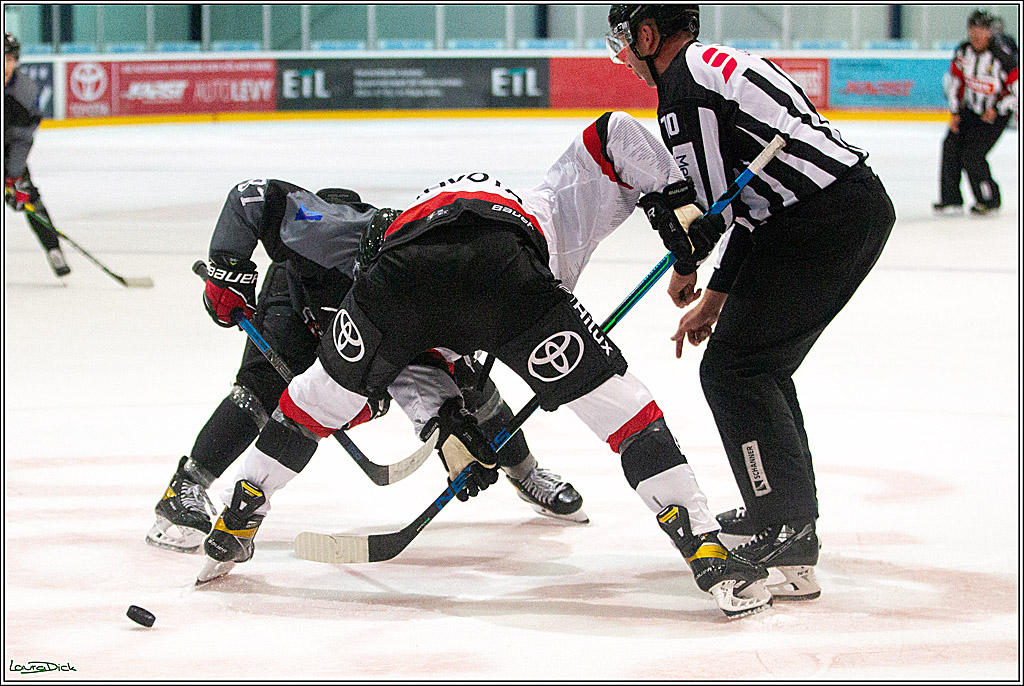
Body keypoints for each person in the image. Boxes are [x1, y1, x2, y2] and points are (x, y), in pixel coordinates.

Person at [196, 112, 774, 619]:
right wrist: (672, 199)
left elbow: (256, 197)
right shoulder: (546, 208)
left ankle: (239, 515)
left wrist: (445, 423)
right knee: (626, 412)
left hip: (398, 286)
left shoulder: (367, 234)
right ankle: (705, 548)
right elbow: (613, 133)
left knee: (312, 403)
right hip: (508, 275)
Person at [606, 5, 895, 600]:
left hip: (820, 223)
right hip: (834, 212)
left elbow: (712, 213)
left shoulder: (683, 91)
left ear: (647, 33)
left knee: (738, 369)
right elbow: (753, 205)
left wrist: (689, 265)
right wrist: (714, 297)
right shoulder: (718, 64)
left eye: (625, 39)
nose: (624, 55)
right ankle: (782, 513)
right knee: (756, 365)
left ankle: (787, 527)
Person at [146, 183, 589, 555]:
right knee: (260, 389)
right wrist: (227, 269)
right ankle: (184, 486)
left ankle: (526, 473)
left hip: (375, 319)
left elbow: (423, 374)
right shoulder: (328, 234)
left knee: (469, 380)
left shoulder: (413, 281)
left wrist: (445, 426)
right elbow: (251, 197)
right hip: (296, 305)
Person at [933, 10, 1018, 216]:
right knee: (951, 145)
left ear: (990, 32)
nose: (976, 35)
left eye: (981, 30)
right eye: (973, 29)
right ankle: (950, 199)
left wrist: (997, 109)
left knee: (973, 154)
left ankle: (988, 199)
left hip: (995, 115)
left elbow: (1016, 89)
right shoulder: (964, 52)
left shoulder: (1002, 58)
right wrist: (955, 111)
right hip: (970, 111)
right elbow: (955, 83)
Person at [4, 32, 70, 277]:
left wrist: (13, 176)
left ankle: (54, 249)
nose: (5, 64)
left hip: (9, 152)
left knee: (27, 196)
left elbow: (22, 139)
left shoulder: (25, 91)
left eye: (9, 58)